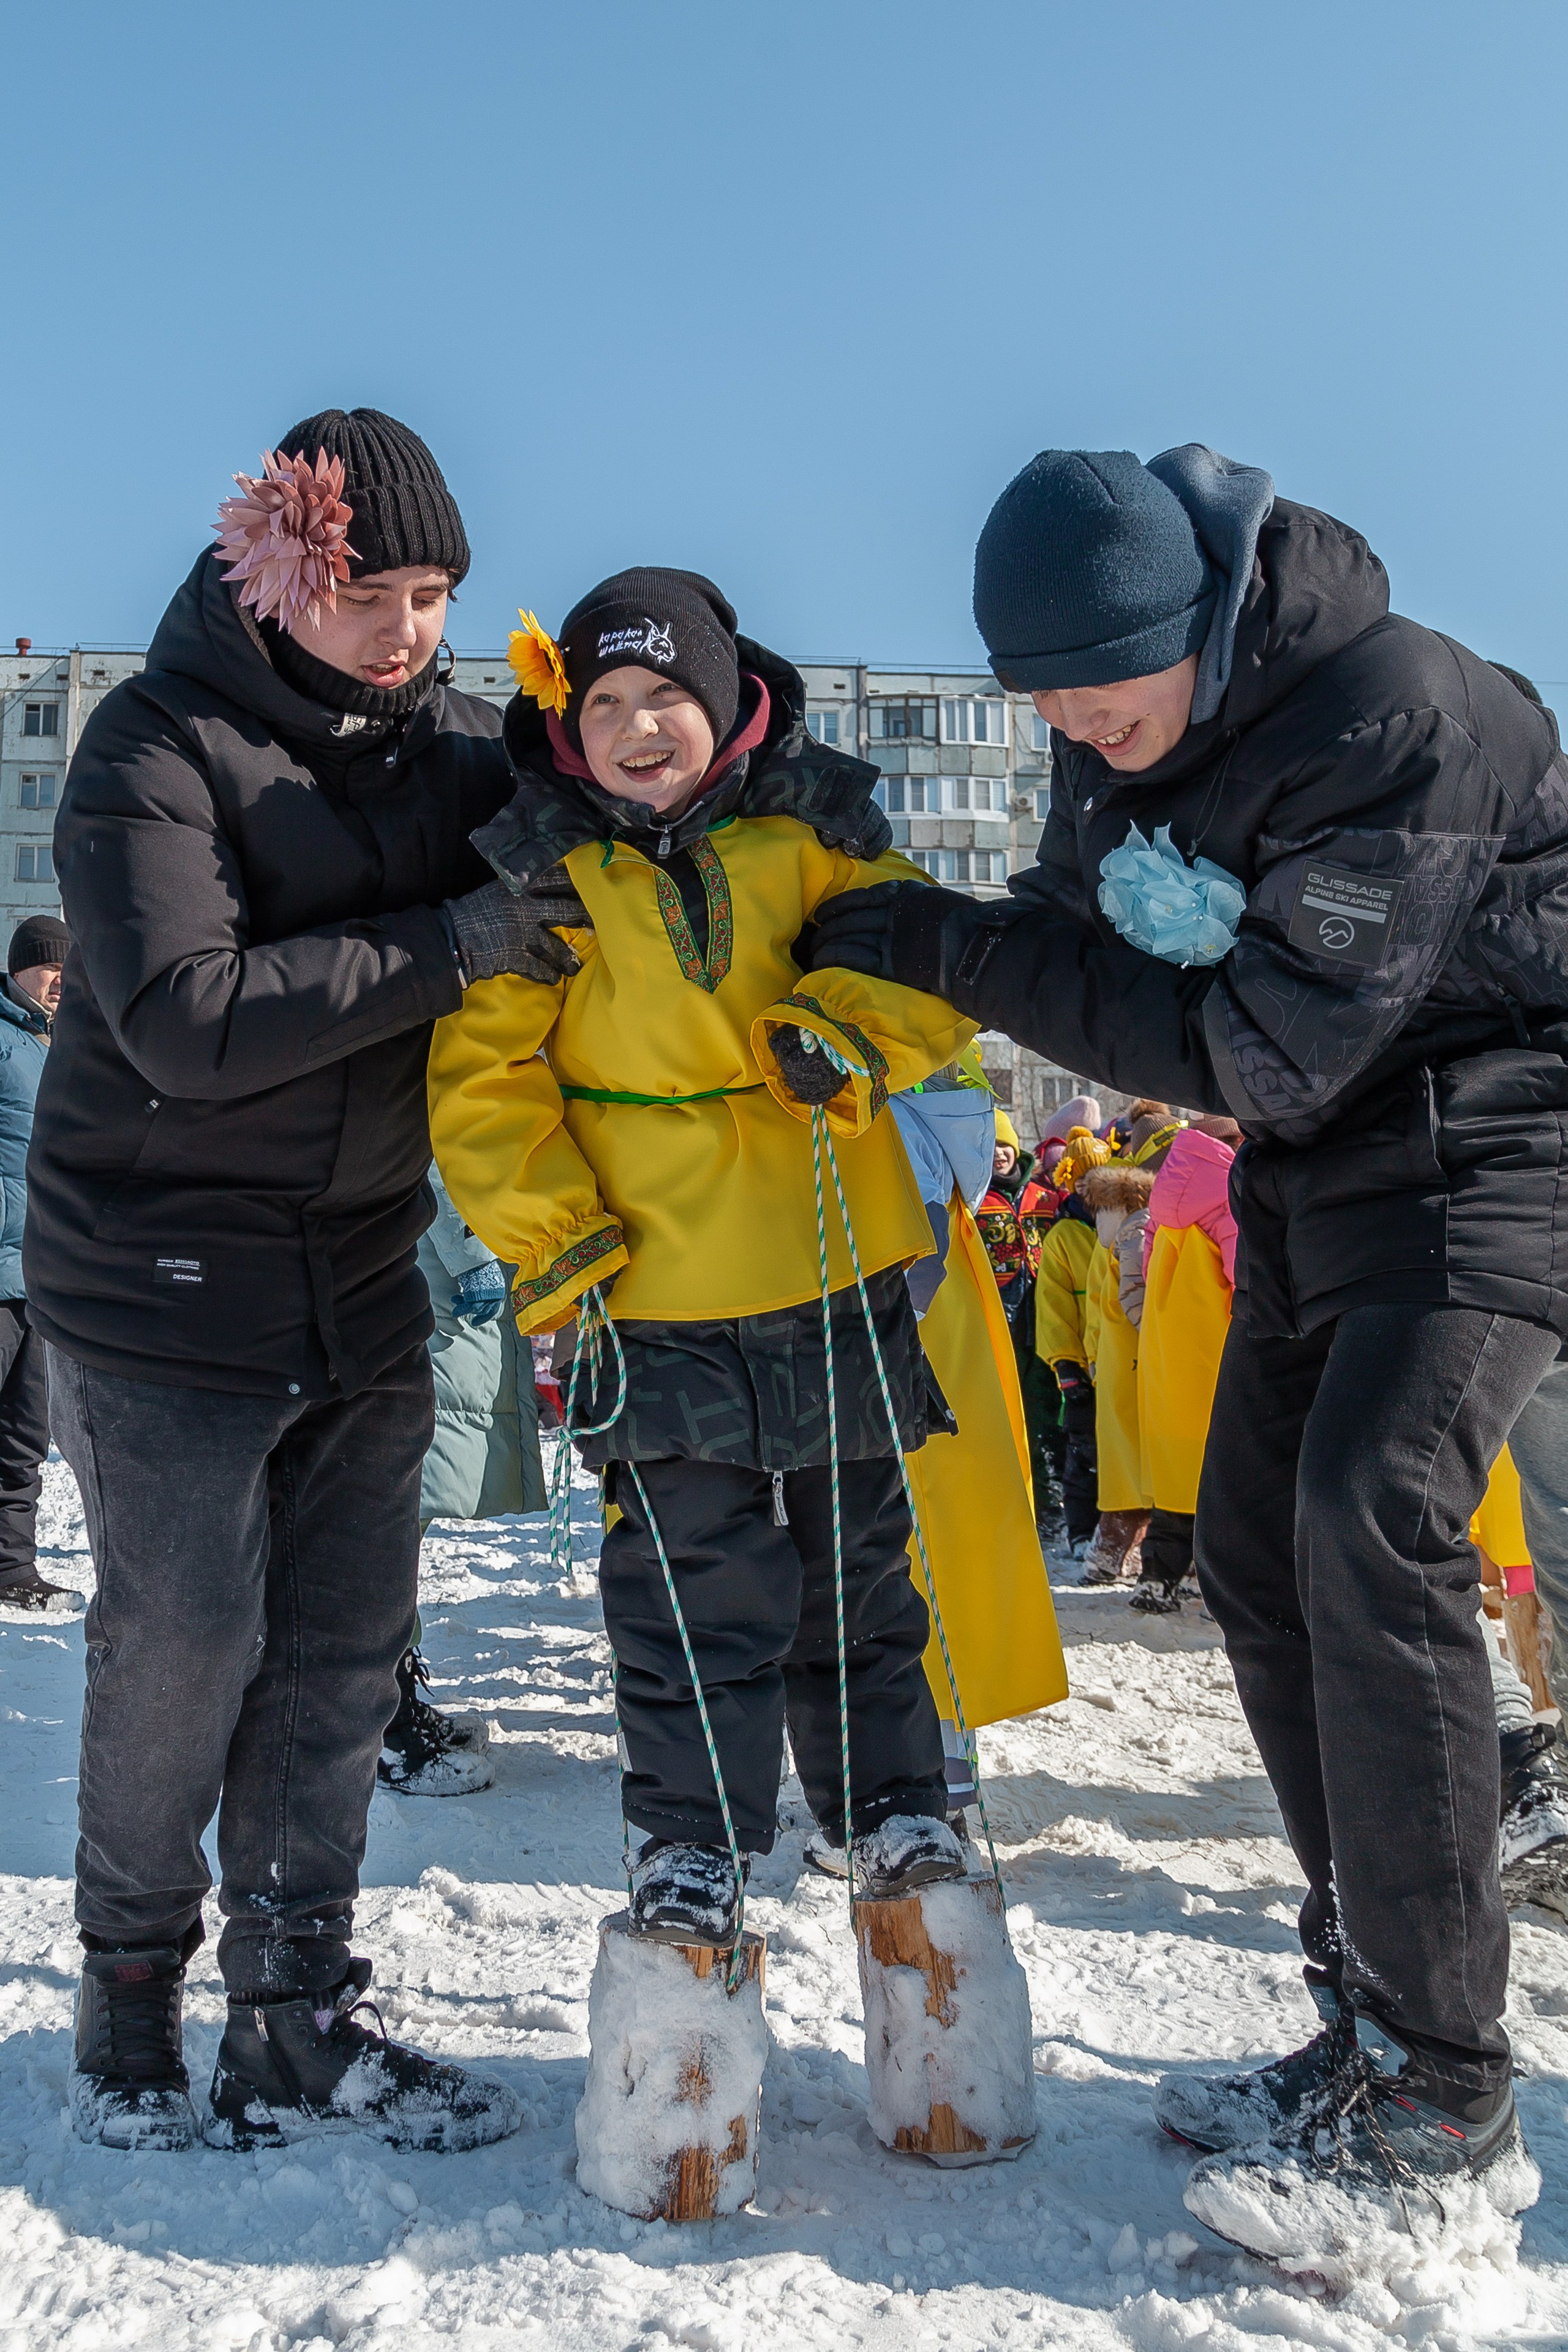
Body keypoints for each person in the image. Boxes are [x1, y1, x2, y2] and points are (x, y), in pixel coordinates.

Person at [802, 442, 1567, 2252]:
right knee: (1253, 1553)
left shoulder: (1395, 710)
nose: (1069, 719)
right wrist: (900, 928)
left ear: (1204, 621)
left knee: (1372, 1521)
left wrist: (952, 950)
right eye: (1036, 693)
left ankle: (1448, 2095)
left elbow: (1257, 1049)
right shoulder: (1111, 735)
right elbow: (1080, 941)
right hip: (1327, 1166)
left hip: (1499, 1132)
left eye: (1095, 678)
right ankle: (1363, 2013)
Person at [29, 409, 582, 2155]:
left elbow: (637, 790)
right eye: (372, 592)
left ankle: (294, 2012)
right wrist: (446, 946)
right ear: (279, 573)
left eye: (434, 596)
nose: (407, 629)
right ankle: (128, 2007)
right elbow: (186, 1025)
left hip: (356, 1278)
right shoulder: (153, 747)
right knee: (185, 1644)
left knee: (343, 1659)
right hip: (160, 1284)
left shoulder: (453, 756)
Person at [429, 568, 975, 1947]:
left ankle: (891, 1808)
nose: (635, 726)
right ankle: (690, 1842)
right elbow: (484, 1076)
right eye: (603, 700)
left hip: (831, 1255)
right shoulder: (537, 870)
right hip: (653, 1288)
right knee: (688, 1593)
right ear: (567, 721)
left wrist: (848, 1025)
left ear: (726, 703)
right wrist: (552, 1233)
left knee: (856, 1568)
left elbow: (928, 957)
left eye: (664, 694)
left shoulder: (817, 832)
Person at [377, 1166, 548, 1798]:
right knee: (386, 1508)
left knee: (395, 1510)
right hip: (426, 1261)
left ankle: (389, 1697)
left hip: (431, 1254)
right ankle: (383, 1724)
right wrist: (468, 1243)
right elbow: (431, 1131)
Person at [1131, 1117, 1238, 1612]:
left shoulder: (1165, 1199)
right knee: (1228, 1471)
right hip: (1218, 1351)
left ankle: (1158, 1573)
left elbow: (1149, 1268)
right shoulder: (1232, 1194)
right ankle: (1218, 1578)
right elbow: (1246, 1278)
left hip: (1169, 1356)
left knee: (1177, 1471)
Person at [0, 914, 69, 1611]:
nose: (60, 981)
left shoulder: (59, 1045)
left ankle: (11, 1566)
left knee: (25, 1435)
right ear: (21, 966)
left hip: (40, 1278)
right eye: (51, 968)